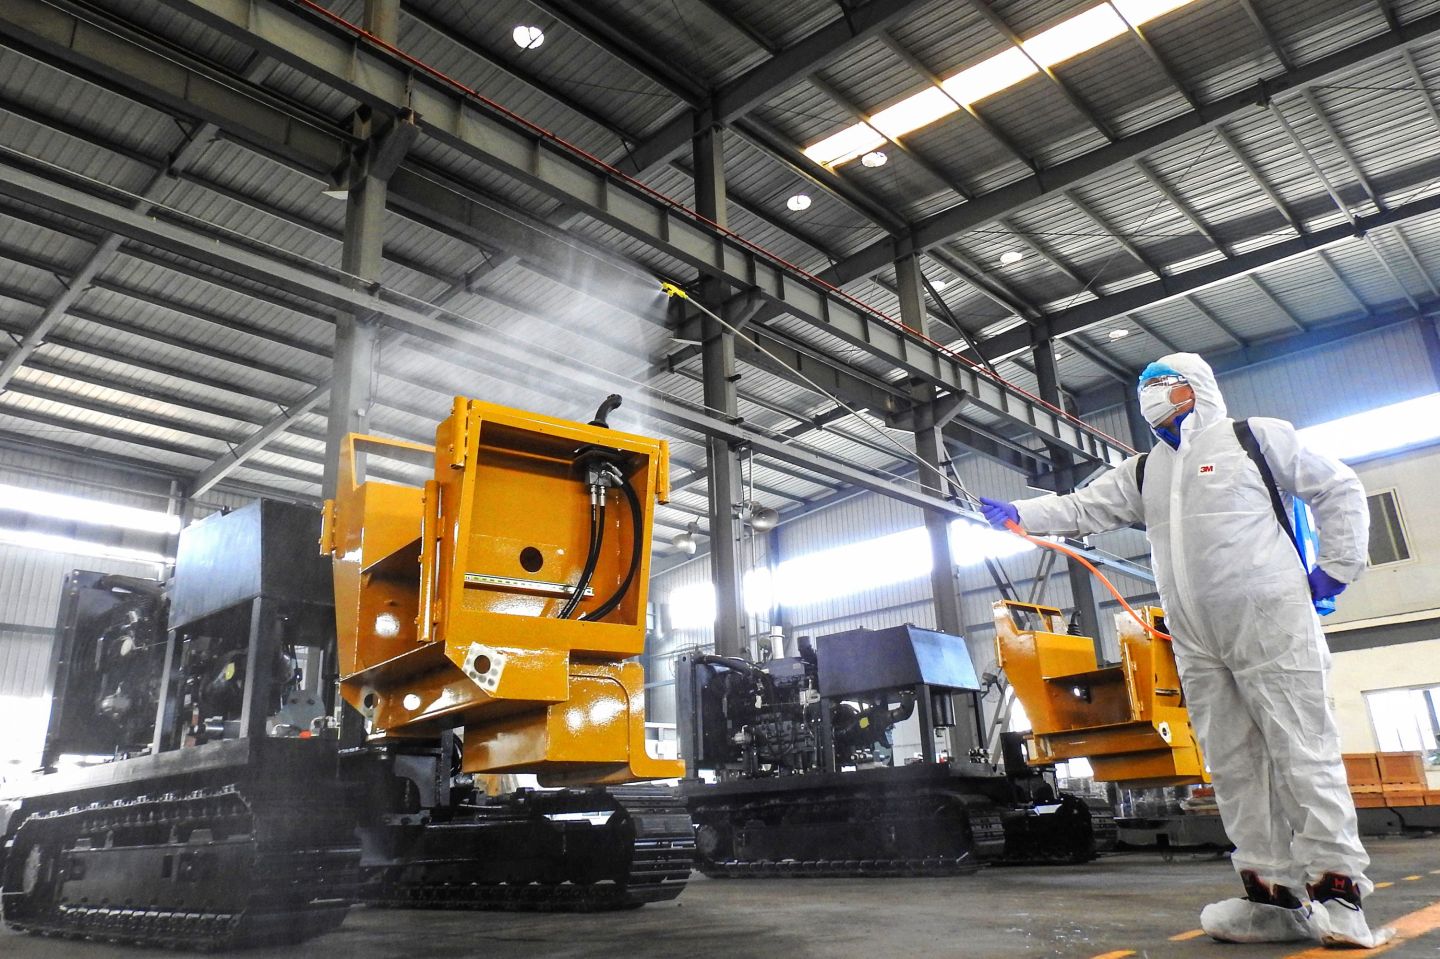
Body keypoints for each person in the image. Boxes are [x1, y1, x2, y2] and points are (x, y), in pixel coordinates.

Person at [980, 352, 1389, 949]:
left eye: (1162, 384)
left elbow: (1337, 486)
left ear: (1195, 388)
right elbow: (1083, 507)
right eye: (1143, 386)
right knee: (1233, 763)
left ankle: (1339, 894)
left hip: (1269, 617)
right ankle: (1272, 897)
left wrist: (1337, 566)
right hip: (1194, 633)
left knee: (1302, 750)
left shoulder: (1251, 438)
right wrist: (1021, 513)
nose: (1150, 394)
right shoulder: (1146, 470)